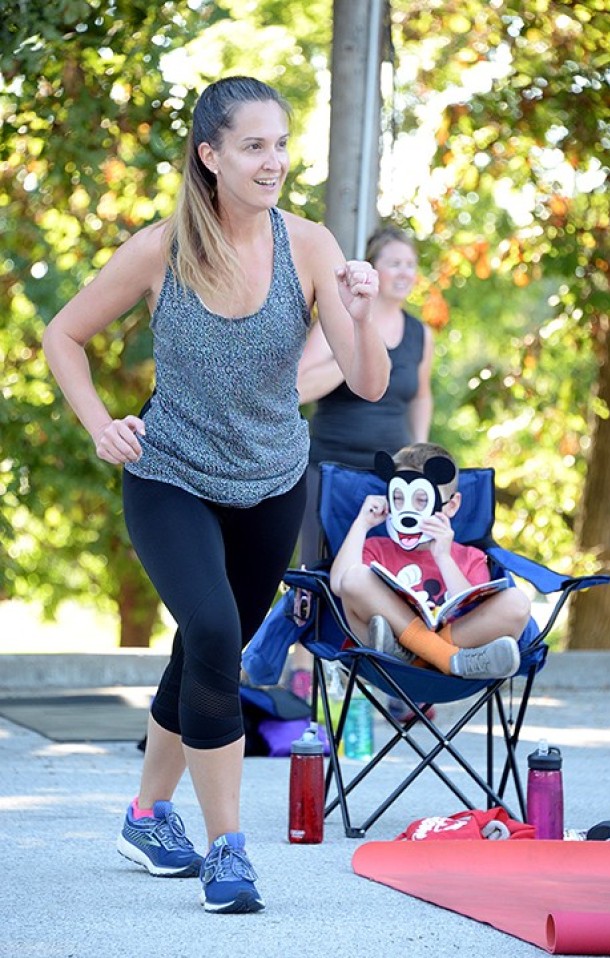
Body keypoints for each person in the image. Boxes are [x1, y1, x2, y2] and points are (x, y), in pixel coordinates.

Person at [42, 75, 389, 915]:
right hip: (170, 476)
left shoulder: (309, 246)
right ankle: (228, 848)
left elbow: (370, 384)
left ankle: (145, 812)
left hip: (271, 484)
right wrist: (99, 425)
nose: (273, 161)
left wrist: (359, 310)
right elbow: (64, 334)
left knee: (207, 651)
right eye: (254, 145)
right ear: (210, 155)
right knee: (210, 629)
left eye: (280, 143)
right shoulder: (161, 248)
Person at [287, 226, 433, 699]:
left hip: (392, 477)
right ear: (372, 269)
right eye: (393, 262)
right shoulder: (341, 319)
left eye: (410, 264)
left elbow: (421, 396)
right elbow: (299, 385)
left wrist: (421, 458)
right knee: (317, 571)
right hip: (328, 467)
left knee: (392, 573)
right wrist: (357, 350)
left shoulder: (419, 334)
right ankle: (304, 678)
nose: (403, 272)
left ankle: (397, 680)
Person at [330, 442, 531, 680]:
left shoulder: (470, 557)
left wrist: (443, 557)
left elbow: (472, 607)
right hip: (389, 659)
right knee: (354, 577)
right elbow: (339, 584)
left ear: (452, 505)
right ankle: (446, 658)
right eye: (398, 497)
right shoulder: (375, 548)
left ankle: (421, 657)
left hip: (447, 643)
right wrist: (362, 523)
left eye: (422, 500)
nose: (409, 510)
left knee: (517, 602)